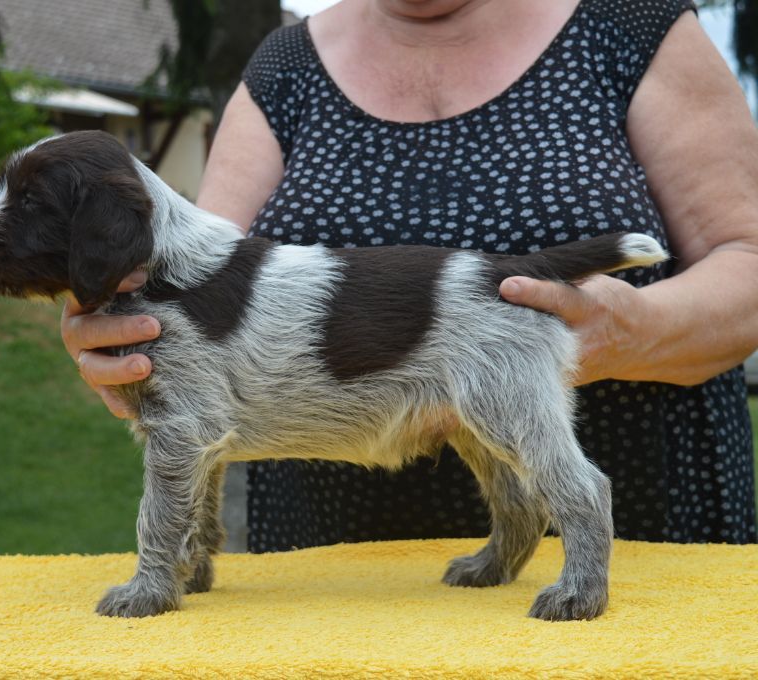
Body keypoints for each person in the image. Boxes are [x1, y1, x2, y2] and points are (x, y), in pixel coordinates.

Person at [61, 0, 758, 549]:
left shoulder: (631, 24)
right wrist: (123, 333)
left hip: (650, 512)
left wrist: (639, 331)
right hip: (336, 552)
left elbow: (748, 257)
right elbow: (202, 284)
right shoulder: (284, 68)